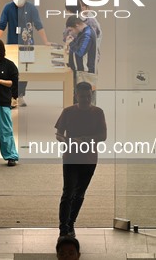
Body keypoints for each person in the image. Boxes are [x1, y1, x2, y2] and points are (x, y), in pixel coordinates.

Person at [55, 82, 107, 238]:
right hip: (71, 157)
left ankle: (71, 223)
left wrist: (85, 139)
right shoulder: (68, 112)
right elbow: (58, 133)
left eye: (88, 96)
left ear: (91, 95)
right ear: (76, 96)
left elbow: (103, 136)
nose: (85, 99)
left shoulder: (98, 112)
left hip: (89, 159)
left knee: (80, 193)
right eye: (82, 96)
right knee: (68, 192)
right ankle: (63, 227)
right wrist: (64, 140)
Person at [0, 0, 50, 107]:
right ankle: (11, 96)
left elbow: (38, 25)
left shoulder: (31, 8)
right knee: (12, 71)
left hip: (27, 45)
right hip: (12, 45)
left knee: (25, 71)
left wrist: (45, 41)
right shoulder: (8, 7)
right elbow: (2, 25)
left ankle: (20, 95)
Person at [65, 16, 97, 104]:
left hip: (85, 73)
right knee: (79, 99)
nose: (71, 32)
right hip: (80, 72)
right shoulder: (83, 33)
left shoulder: (87, 34)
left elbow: (80, 51)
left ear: (77, 25)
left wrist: (71, 43)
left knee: (85, 101)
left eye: (71, 30)